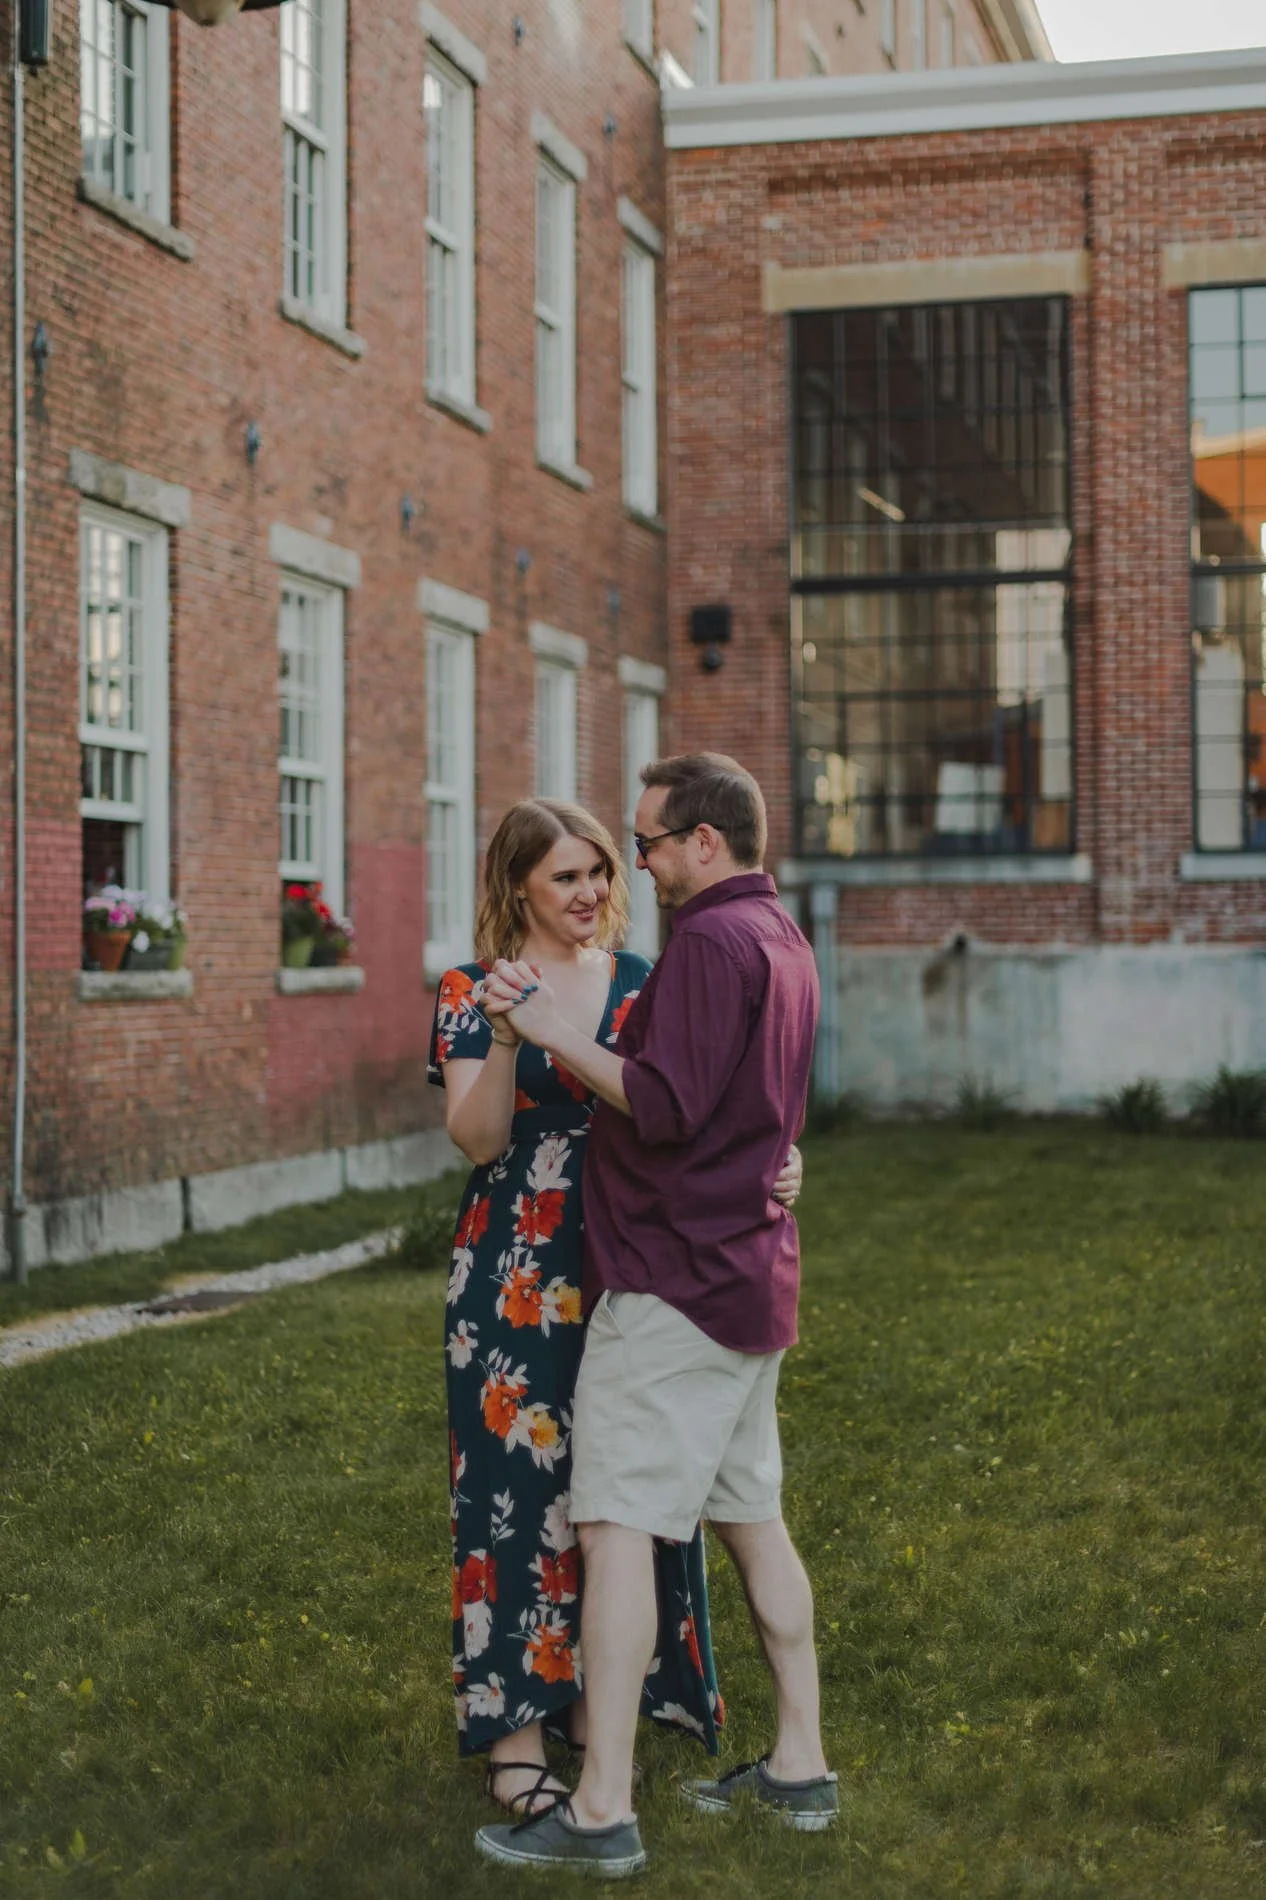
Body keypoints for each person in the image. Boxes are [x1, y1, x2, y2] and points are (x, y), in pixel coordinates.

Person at [473, 754, 834, 1878]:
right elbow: (754, 1102)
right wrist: (777, 1169)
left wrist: (546, 1030)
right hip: (750, 1276)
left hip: (677, 1286)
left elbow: (668, 1105)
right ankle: (800, 1766)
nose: (640, 864)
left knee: (615, 1525)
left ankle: (600, 1809)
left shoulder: (709, 946)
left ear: (707, 842)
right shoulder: (783, 938)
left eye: (649, 842)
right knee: (752, 1517)